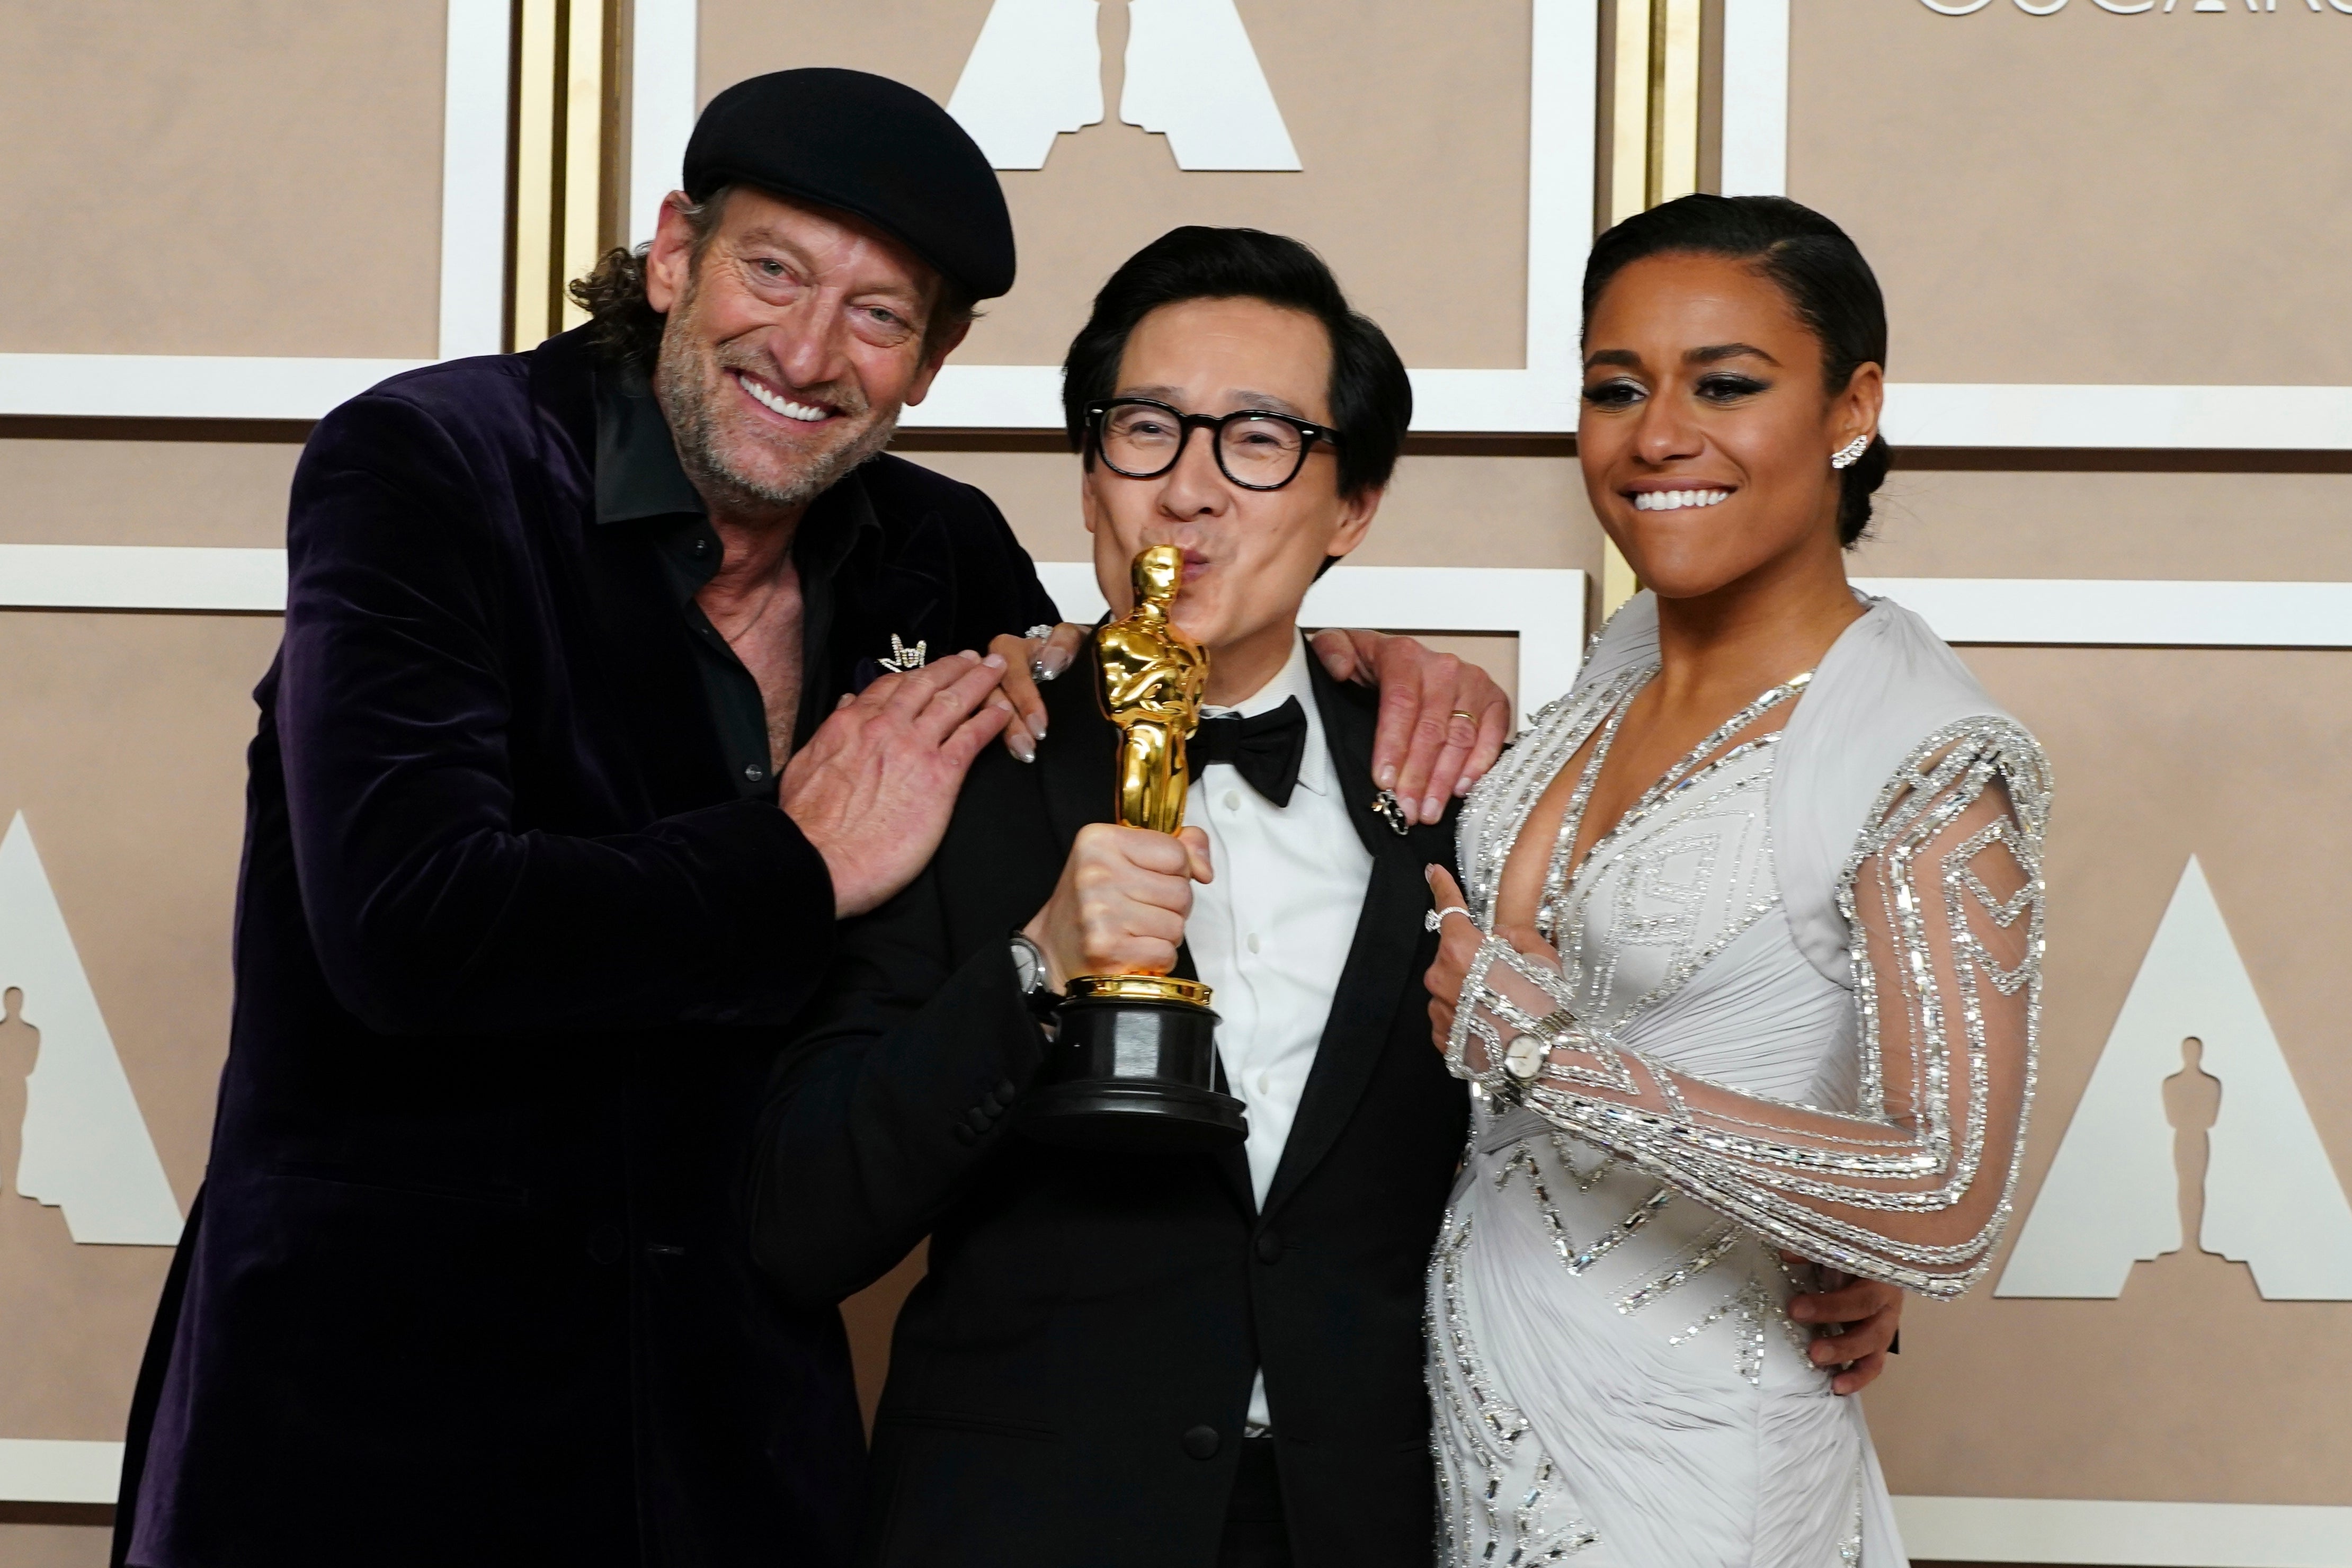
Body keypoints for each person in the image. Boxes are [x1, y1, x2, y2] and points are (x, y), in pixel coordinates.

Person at [111, 72, 1511, 1568]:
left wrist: (1365, 663)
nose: (806, 348)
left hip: (731, 1402)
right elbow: (406, 927)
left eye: (879, 313)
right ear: (672, 257)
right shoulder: (435, 466)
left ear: (934, 361)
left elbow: (1145, 693)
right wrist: (796, 865)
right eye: (772, 270)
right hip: (380, 1379)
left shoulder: (937, 554)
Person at [751, 225, 1899, 1568]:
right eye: (1147, 431)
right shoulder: (946, 767)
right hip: (1018, 1523)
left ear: (1351, 505)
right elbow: (797, 1221)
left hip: (1373, 1519)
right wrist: (1029, 968)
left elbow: (1604, 1122)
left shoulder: (1473, 787)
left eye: (1259, 441)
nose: (1190, 493)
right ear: (1088, 478)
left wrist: (1817, 1264)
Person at [1421, 193, 2047, 1566]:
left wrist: (1551, 1057)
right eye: (1615, 387)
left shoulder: (1920, 749)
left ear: (1851, 404)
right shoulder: (1629, 650)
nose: (1658, 438)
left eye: (1728, 385)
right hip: (1505, 1414)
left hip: (1704, 1460)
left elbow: (1946, 1196)